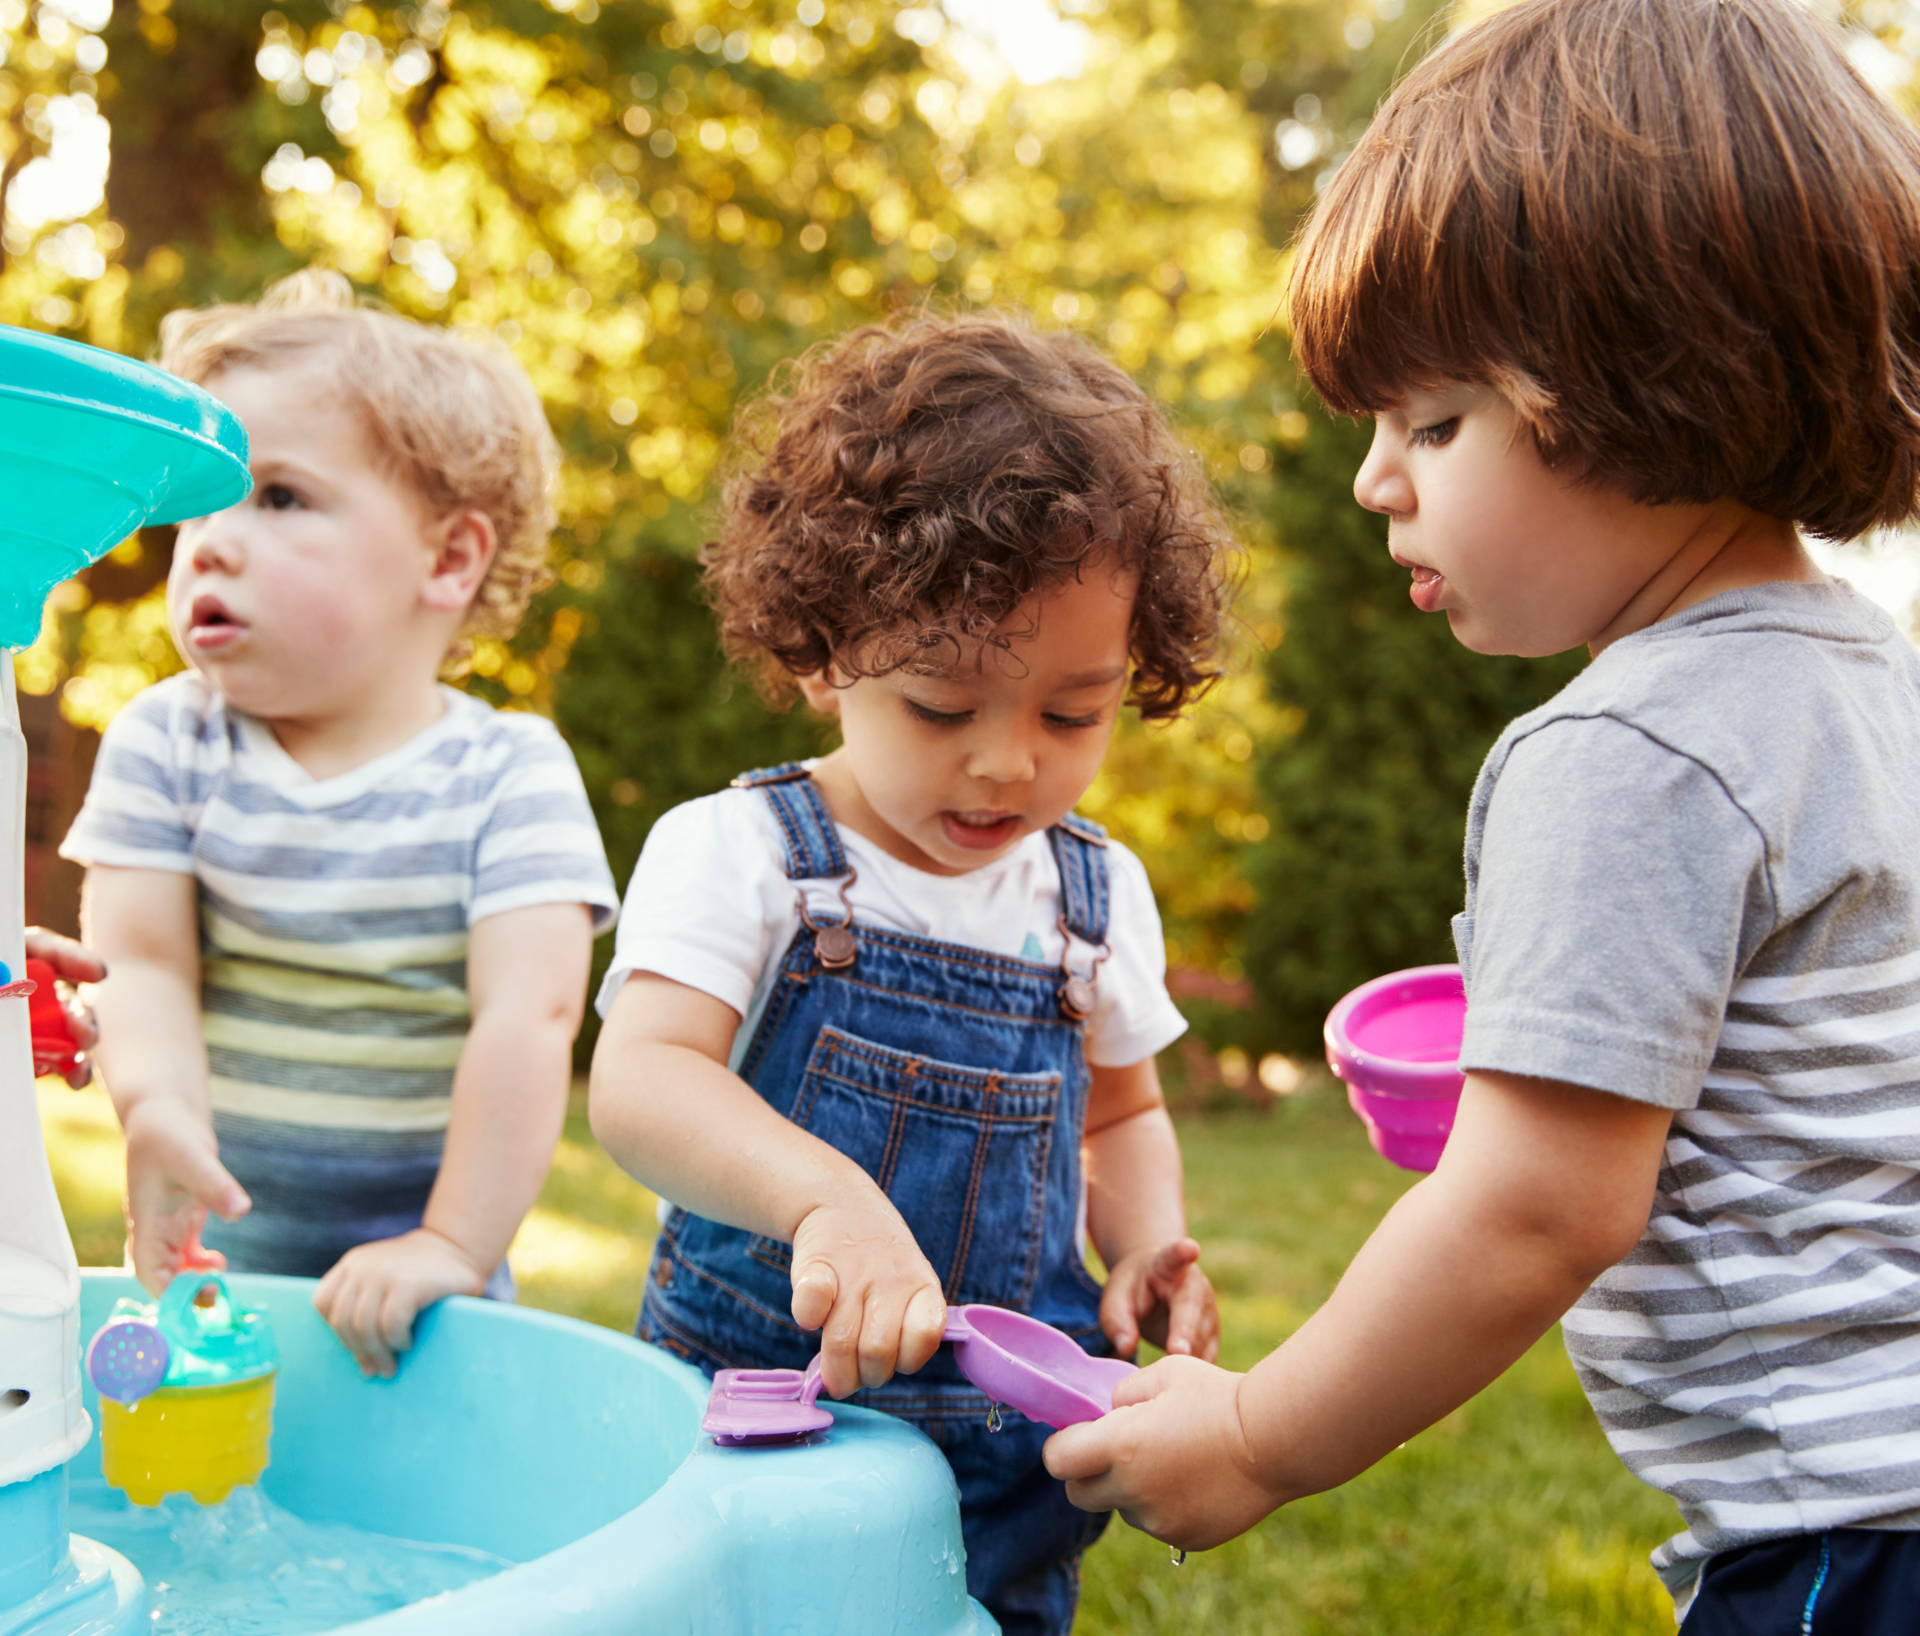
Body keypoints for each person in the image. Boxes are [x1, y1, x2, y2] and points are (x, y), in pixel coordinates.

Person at [1042, 2, 1920, 1630]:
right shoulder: (1872, 682)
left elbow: (1536, 1208)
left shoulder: (1625, 747)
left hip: (1854, 1543)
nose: (1379, 477)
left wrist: (1254, 1432)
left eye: (1434, 422)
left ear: (1656, 382)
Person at [588, 312, 1230, 1636]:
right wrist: (823, 1201)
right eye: (943, 708)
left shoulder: (1091, 899)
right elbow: (644, 1083)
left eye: (1072, 712)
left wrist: (1145, 1246)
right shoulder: (745, 854)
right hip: (761, 1434)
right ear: (825, 652)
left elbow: (1121, 1112)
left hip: (1002, 1467)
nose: (1008, 764)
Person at [62, 270, 618, 1377]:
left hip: (423, 1304)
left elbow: (529, 1015)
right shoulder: (168, 741)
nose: (210, 543)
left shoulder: (506, 771)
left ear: (448, 558)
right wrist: (157, 1108)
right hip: (215, 1270)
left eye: (276, 498)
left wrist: (451, 1243)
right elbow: (145, 964)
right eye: (198, 506)